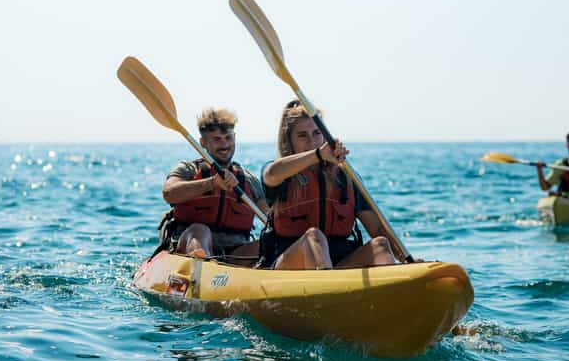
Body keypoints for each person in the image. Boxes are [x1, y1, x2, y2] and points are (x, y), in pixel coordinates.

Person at [259, 100, 396, 269]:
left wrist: (408, 263)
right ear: (289, 140)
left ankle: (394, 291)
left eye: (317, 133)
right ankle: (327, 288)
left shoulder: (347, 178)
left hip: (339, 264)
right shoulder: (279, 171)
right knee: (314, 237)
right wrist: (317, 154)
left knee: (380, 245)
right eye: (302, 135)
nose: (312, 141)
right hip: (289, 264)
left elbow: (377, 230)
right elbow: (270, 175)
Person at [161, 108, 268, 263]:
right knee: (200, 231)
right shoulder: (188, 170)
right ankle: (203, 267)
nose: (224, 144)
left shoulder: (249, 180)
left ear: (235, 138)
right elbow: (169, 193)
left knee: (267, 245)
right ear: (203, 142)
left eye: (228, 137)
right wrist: (212, 183)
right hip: (190, 250)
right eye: (216, 139)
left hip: (234, 254)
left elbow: (269, 216)